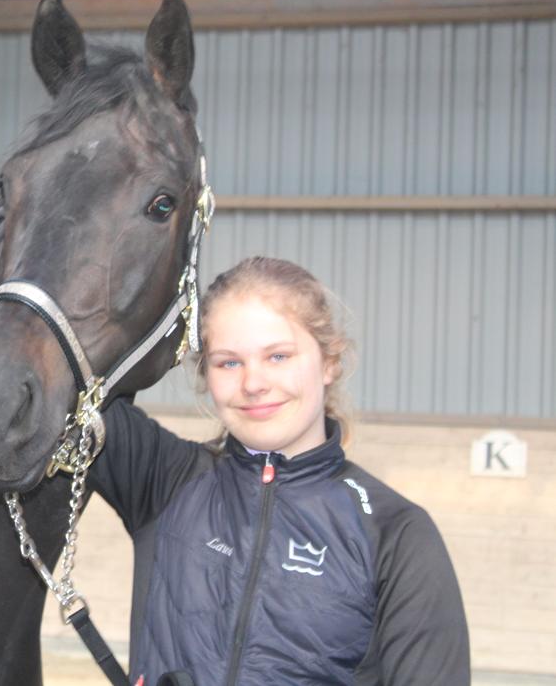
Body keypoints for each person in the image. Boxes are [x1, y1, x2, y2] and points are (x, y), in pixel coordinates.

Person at [91, 256, 470, 686]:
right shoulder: (165, 478)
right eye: (229, 362)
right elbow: (65, 360)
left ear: (329, 362)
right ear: (206, 375)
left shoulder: (396, 532)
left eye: (278, 356)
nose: (253, 383)